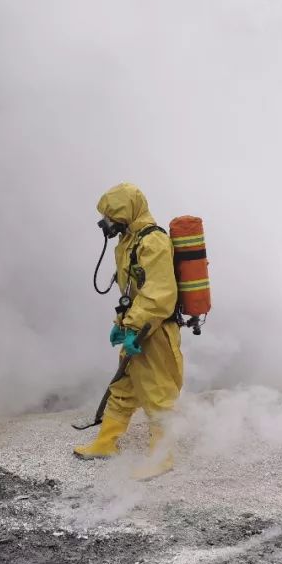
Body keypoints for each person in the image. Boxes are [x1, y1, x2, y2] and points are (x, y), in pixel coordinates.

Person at [74, 183, 184, 480]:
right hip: (137, 326)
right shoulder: (129, 241)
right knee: (123, 385)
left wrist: (134, 326)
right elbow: (132, 291)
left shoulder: (154, 242)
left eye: (111, 215)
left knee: (157, 392)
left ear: (126, 211)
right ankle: (106, 442)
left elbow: (159, 294)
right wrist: (121, 325)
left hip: (155, 331)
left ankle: (163, 456)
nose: (107, 222)